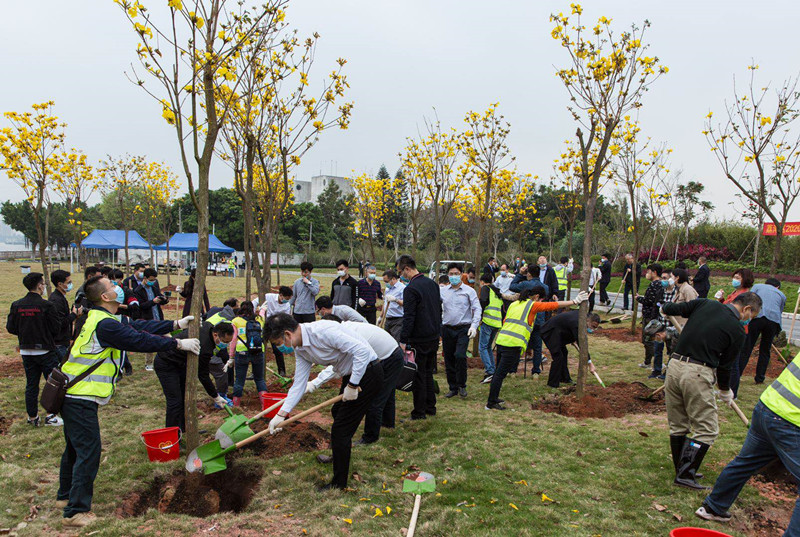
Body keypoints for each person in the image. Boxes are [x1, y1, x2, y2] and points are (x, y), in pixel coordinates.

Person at [56, 276, 199, 527]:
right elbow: (138, 340)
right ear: (105, 297)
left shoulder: (103, 317)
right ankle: (75, 511)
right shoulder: (106, 325)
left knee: (74, 448)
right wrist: (176, 343)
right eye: (112, 287)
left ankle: (65, 497)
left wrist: (175, 323)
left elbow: (139, 326)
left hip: (73, 394)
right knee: (88, 451)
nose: (117, 288)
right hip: (79, 397)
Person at [264, 314, 383, 490]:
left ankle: (338, 484)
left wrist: (353, 384)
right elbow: (299, 384)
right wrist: (281, 414)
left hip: (368, 373)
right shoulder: (301, 350)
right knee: (338, 415)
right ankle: (340, 455)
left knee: (340, 430)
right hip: (351, 375)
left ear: (287, 334)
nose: (280, 348)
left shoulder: (323, 331)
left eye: (278, 343)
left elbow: (362, 351)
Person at [661, 293, 761, 490]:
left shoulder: (705, 304)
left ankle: (681, 468)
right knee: (707, 428)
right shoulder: (737, 331)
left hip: (674, 366)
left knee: (678, 423)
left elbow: (672, 308)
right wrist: (725, 390)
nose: (749, 319)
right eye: (752, 315)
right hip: (697, 373)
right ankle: (685, 474)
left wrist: (664, 308)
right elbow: (726, 367)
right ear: (747, 309)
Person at [695, 349, 800, 531]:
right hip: (791, 421)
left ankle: (714, 507)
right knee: (746, 462)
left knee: (745, 462)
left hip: (767, 408)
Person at [486, 287, 589, 409]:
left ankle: (493, 398)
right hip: (512, 344)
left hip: (502, 340)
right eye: (541, 299)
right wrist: (574, 301)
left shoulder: (514, 304)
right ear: (536, 297)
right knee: (500, 374)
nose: (540, 302)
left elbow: (506, 321)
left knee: (499, 372)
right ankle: (491, 403)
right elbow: (552, 305)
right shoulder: (532, 305)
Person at [308, 319, 404, 446]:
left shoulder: (347, 336)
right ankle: (387, 424)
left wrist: (315, 383)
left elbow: (338, 366)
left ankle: (370, 437)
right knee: (386, 392)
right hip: (384, 354)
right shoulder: (342, 330)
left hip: (391, 357)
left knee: (377, 399)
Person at [6, 272, 63, 427]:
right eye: (43, 283)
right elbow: (56, 328)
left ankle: (32, 417)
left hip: (26, 351)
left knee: (31, 385)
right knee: (52, 384)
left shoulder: (16, 305)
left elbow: (11, 328)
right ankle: (51, 415)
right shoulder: (46, 305)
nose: (44, 286)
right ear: (39, 286)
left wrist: (25, 332)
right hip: (45, 351)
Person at [155, 321, 234, 429]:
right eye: (225, 341)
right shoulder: (205, 347)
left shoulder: (208, 326)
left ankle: (183, 429)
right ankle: (171, 435)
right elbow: (203, 375)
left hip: (181, 363)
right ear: (216, 334)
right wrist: (215, 396)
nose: (226, 344)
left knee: (183, 398)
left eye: (229, 342)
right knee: (175, 401)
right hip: (166, 362)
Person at [398, 254, 441, 420]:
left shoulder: (411, 289)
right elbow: (438, 310)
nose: (401, 276)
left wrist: (403, 340)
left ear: (407, 269)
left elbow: (409, 317)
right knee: (428, 373)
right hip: (432, 335)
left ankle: (419, 412)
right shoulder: (432, 284)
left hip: (419, 338)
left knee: (418, 375)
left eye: (401, 272)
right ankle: (430, 407)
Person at [440, 263, 481, 398]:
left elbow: (477, 308)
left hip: (463, 328)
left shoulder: (469, 291)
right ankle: (453, 387)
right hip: (447, 328)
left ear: (461, 274)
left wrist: (474, 326)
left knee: (460, 355)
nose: (454, 276)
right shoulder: (443, 291)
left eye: (456, 274)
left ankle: (462, 384)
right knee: (449, 358)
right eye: (451, 274)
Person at [738, 278, 786, 386]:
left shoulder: (758, 286)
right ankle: (760, 378)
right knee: (765, 350)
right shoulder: (781, 294)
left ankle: (738, 373)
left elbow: (749, 299)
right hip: (773, 321)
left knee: (747, 347)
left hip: (757, 317)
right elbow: (780, 310)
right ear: (777, 286)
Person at [542, 309, 602, 388]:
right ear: (588, 320)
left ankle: (564, 378)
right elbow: (582, 345)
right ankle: (552, 384)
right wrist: (590, 363)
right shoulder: (577, 323)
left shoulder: (582, 315)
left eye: (595, 328)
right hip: (549, 332)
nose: (592, 329)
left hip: (559, 333)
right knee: (558, 356)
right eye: (593, 326)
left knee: (564, 353)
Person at [510, 265, 550, 375]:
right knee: (537, 347)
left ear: (529, 274)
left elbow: (512, 286)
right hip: (539, 320)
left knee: (519, 344)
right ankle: (535, 371)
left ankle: (513, 370)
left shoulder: (525, 284)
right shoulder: (545, 287)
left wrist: (519, 274)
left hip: (525, 319)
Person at [228, 301, 267, 406]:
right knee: (259, 379)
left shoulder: (236, 321)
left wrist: (231, 356)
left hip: (241, 352)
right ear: (253, 309)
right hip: (258, 351)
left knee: (239, 380)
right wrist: (262, 309)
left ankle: (236, 405)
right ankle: (265, 404)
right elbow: (262, 314)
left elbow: (233, 340)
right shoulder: (259, 319)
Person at [133, 267, 170, 371]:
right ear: (145, 278)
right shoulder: (138, 290)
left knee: (167, 338)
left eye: (154, 280)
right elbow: (141, 305)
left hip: (158, 317)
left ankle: (166, 360)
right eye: (151, 279)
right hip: (148, 319)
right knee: (150, 342)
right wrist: (153, 301)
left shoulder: (154, 288)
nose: (153, 282)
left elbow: (159, 299)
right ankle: (149, 363)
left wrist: (164, 300)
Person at [258, 286, 293, 376]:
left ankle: (282, 371)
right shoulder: (268, 297)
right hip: (264, 325)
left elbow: (286, 319)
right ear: (281, 295)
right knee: (260, 349)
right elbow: (255, 303)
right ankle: (257, 371)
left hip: (276, 328)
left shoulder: (287, 305)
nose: (287, 300)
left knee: (277, 350)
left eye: (289, 299)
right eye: (286, 298)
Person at [650, 268, 677, 380]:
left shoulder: (677, 293)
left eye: (665, 278)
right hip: (661, 325)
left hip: (672, 326)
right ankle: (656, 370)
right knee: (657, 349)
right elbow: (655, 307)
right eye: (662, 278)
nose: (663, 281)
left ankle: (667, 373)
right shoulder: (661, 291)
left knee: (671, 351)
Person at [49, 270, 81, 362]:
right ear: (60, 284)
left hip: (63, 340)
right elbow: (60, 322)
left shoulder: (60, 297)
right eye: (68, 282)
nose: (71, 284)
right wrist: (74, 314)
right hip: (59, 342)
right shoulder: (56, 300)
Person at [637, 263, 665, 370]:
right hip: (653, 315)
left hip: (651, 315)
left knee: (648, 340)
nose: (647, 274)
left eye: (648, 272)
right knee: (651, 340)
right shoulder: (660, 284)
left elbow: (649, 300)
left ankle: (654, 362)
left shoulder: (655, 284)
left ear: (655, 272)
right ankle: (649, 362)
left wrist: (639, 298)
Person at [477, 274, 503, 384]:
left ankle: (490, 371)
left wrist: (479, 316)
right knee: (488, 347)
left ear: (482, 281)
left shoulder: (485, 289)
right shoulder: (496, 291)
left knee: (482, 347)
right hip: (497, 322)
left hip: (488, 321)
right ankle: (493, 370)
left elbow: (483, 301)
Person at [380, 270, 405, 342]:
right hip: (388, 319)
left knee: (395, 341)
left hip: (398, 320)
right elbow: (385, 303)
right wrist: (381, 316)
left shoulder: (402, 288)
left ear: (393, 279)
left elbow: (405, 303)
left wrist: (396, 300)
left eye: (387, 281)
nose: (386, 283)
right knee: (387, 341)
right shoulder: (388, 289)